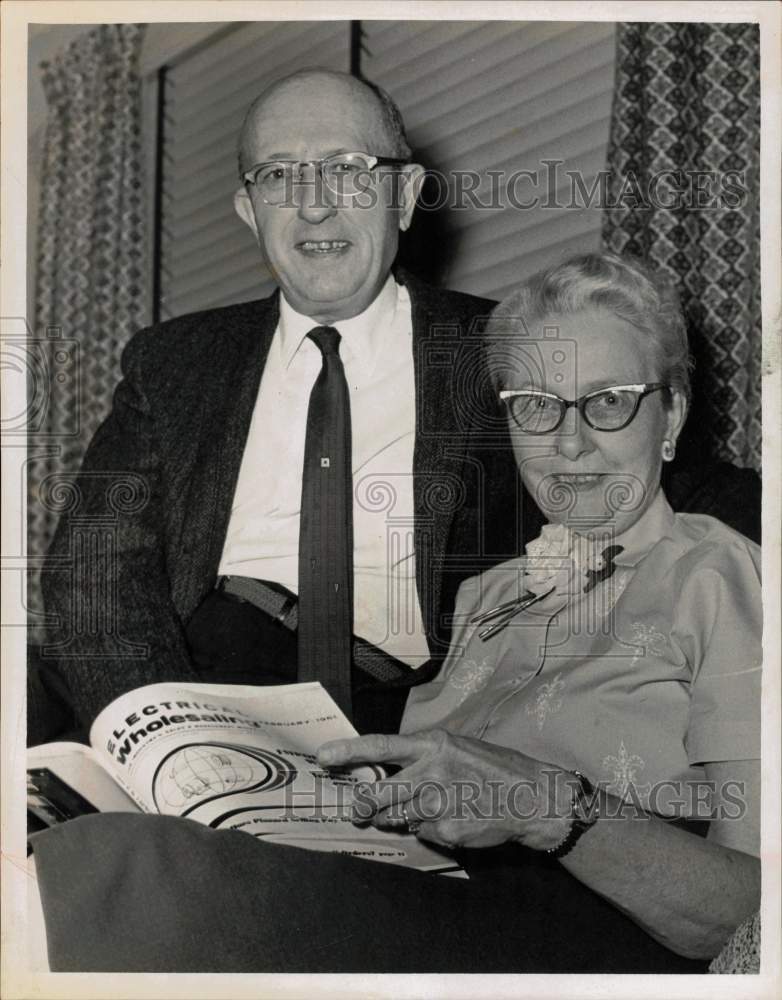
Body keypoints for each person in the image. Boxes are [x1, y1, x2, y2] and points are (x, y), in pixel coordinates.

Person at [31, 253, 761, 973]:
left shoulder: (718, 575)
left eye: (608, 401)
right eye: (536, 407)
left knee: (139, 870)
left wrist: (545, 809)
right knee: (70, 835)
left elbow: (749, 911)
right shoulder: (490, 596)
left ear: (671, 418)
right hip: (427, 904)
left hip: (592, 938)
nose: (568, 442)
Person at [36, 68, 521, 739]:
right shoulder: (174, 362)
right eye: (280, 176)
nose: (314, 205)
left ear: (405, 196)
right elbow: (92, 575)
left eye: (346, 169)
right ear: (249, 210)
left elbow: (640, 477)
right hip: (203, 683)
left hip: (404, 718)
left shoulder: (501, 348)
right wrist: (168, 739)